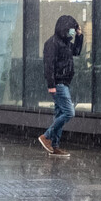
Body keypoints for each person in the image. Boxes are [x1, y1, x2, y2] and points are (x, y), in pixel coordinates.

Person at [38, 15, 83, 157]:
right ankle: (46, 136)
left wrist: (79, 36)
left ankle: (54, 146)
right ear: (65, 28)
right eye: (72, 29)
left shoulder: (66, 43)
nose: (73, 32)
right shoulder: (52, 43)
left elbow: (76, 51)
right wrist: (51, 84)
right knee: (69, 112)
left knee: (59, 114)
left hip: (64, 83)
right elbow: (49, 65)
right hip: (58, 84)